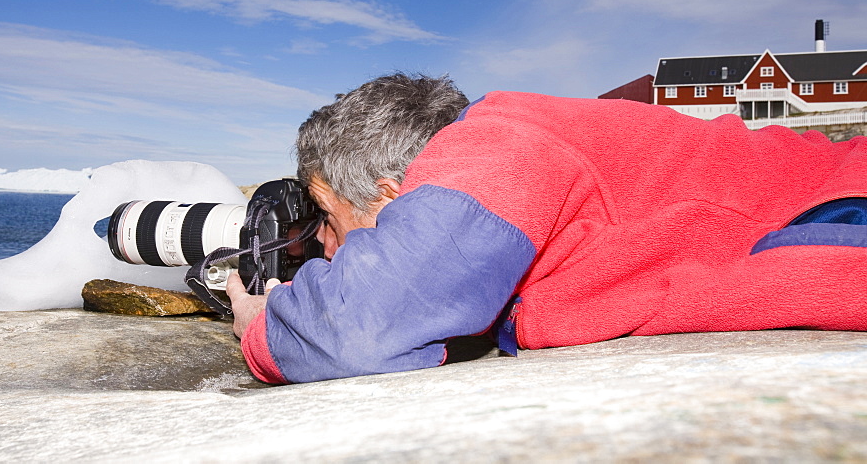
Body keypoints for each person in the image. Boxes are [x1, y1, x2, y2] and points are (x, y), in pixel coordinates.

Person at [225, 73, 867, 384]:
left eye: (329, 219)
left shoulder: (496, 142)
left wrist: (262, 322)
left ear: (398, 194)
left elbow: (357, 333)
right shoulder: (521, 168)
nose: (327, 247)